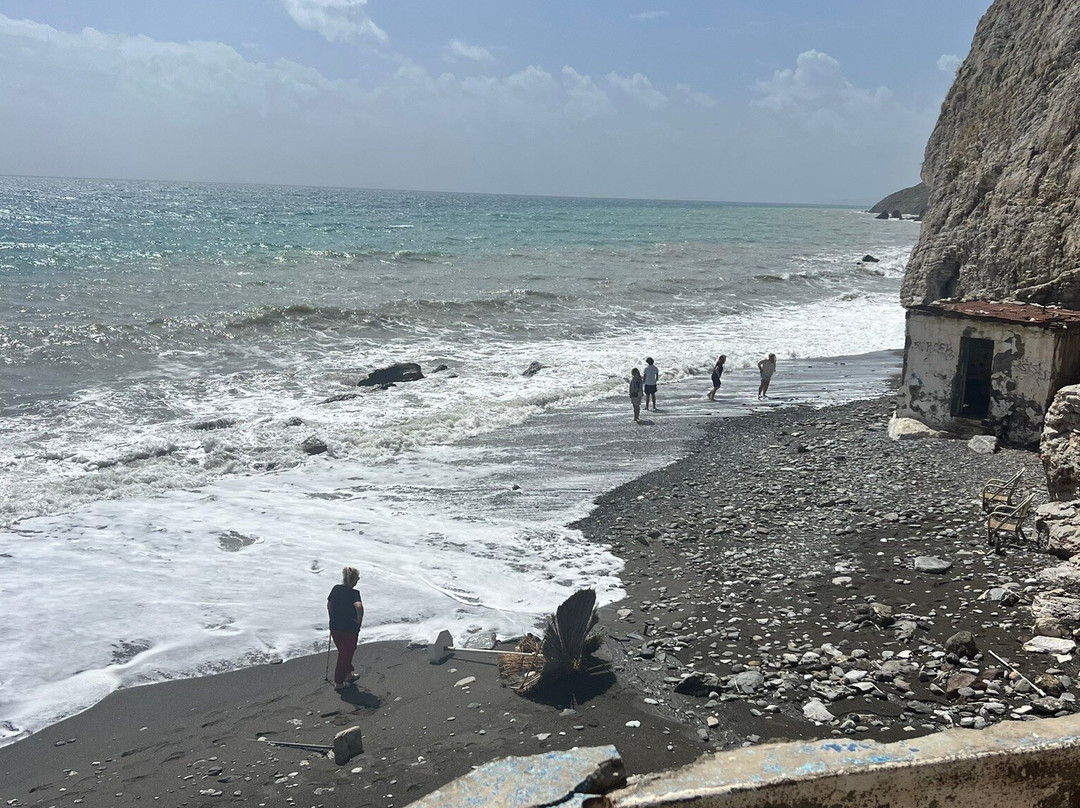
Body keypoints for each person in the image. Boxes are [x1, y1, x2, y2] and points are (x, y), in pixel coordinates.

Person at [327, 566, 364, 690]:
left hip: (335, 626)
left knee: (343, 653)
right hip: (350, 628)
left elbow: (329, 604)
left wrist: (331, 617)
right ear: (354, 580)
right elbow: (359, 607)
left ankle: (348, 675)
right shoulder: (354, 593)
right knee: (346, 654)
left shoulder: (336, 589)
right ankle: (339, 682)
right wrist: (358, 622)